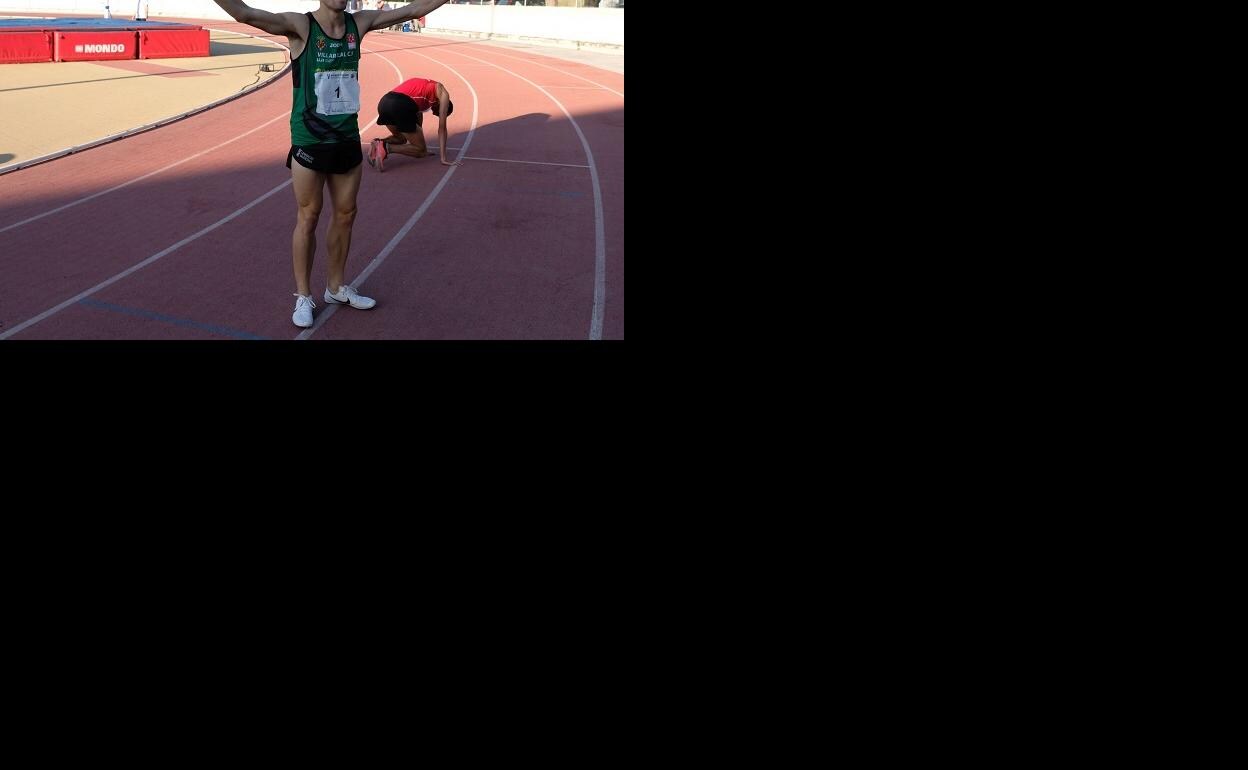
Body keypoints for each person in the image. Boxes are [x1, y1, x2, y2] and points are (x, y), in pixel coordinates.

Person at [211, 0, 451, 328]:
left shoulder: (359, 23)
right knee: (308, 216)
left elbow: (410, 11)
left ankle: (336, 287)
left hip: (347, 138)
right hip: (310, 140)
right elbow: (246, 14)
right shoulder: (301, 26)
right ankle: (303, 296)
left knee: (346, 215)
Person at [368, 77, 462, 171]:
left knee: (401, 139)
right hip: (399, 104)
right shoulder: (443, 94)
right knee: (421, 151)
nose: (433, 113)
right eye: (437, 113)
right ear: (444, 106)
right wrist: (443, 158)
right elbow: (442, 128)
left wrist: (419, 141)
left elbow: (418, 119)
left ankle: (378, 143)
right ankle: (387, 148)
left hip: (384, 103)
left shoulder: (423, 92)